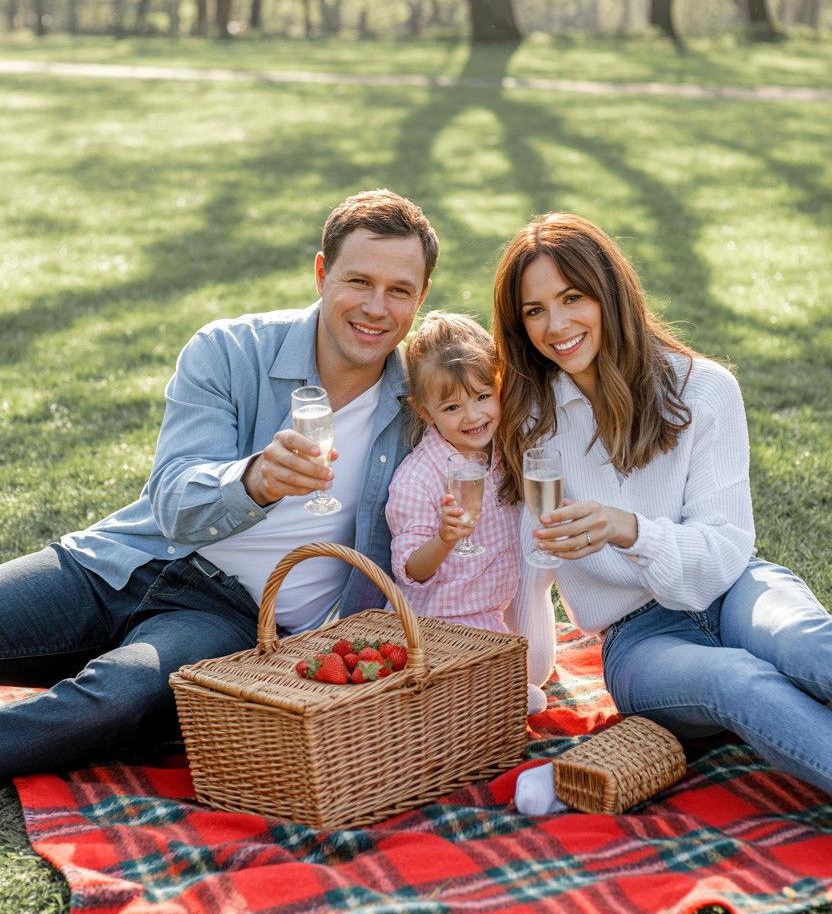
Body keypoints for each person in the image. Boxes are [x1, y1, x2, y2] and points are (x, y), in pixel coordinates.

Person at [0, 189, 437, 780]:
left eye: (399, 291)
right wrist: (255, 480)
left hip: (226, 617)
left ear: (421, 299)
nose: (376, 308)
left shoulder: (425, 401)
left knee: (119, 700)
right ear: (320, 274)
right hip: (126, 562)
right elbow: (175, 501)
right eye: (359, 281)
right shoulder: (228, 350)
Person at [492, 211, 832, 798]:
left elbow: (726, 546)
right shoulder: (531, 421)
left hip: (734, 589)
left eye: (573, 297)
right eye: (534, 310)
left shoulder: (703, 389)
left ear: (609, 292)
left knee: (806, 642)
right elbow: (526, 559)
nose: (557, 324)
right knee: (741, 680)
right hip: (639, 640)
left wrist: (631, 531)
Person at [385, 311, 555, 714]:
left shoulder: (504, 453)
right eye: (452, 407)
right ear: (425, 412)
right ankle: (473, 696)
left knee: (536, 672)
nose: (474, 417)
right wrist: (445, 538)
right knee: (518, 694)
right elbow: (411, 571)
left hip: (502, 612)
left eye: (483, 396)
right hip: (446, 622)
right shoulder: (418, 479)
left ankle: (494, 689)